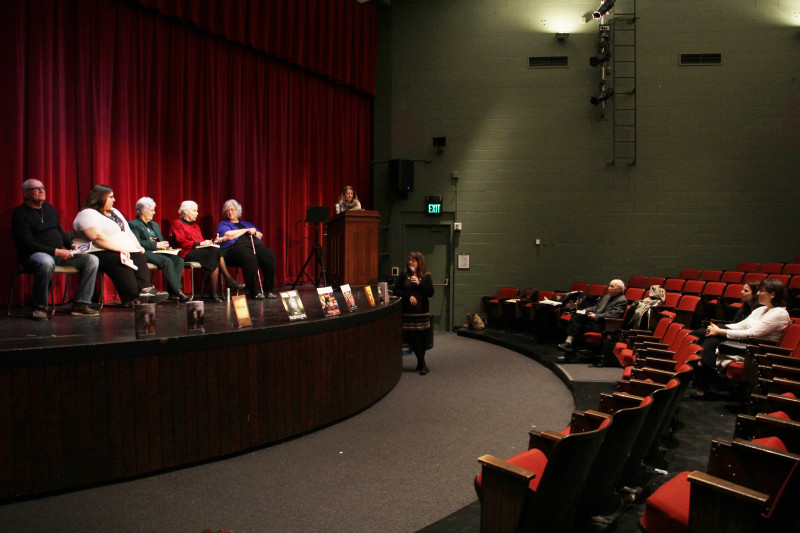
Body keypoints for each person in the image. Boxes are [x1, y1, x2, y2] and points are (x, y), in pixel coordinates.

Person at [11, 179, 100, 319]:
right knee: (46, 262)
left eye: (43, 188)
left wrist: (70, 245)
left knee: (92, 259)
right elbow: (26, 243)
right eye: (36, 188)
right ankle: (39, 307)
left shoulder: (49, 209)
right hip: (34, 255)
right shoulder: (20, 213)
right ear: (26, 194)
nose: (42, 191)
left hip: (58, 254)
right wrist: (55, 251)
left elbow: (59, 231)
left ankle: (81, 304)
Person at [693, 278, 791, 400]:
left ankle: (703, 367)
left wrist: (719, 331)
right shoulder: (762, 309)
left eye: (761, 291)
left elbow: (753, 333)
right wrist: (717, 328)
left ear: (772, 294)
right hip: (745, 341)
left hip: (756, 348)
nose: (758, 293)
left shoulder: (779, 314)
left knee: (710, 337)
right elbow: (742, 325)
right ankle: (705, 373)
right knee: (700, 333)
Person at [72, 184, 168, 306]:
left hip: (118, 249)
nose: (114, 200)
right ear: (100, 198)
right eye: (111, 197)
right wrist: (120, 249)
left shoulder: (115, 212)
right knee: (118, 258)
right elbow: (97, 237)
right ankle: (132, 297)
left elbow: (127, 231)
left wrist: (137, 246)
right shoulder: (87, 213)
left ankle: (146, 290)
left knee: (138, 256)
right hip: (95, 251)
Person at [172, 200, 245, 303]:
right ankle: (226, 281)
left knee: (215, 251)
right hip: (186, 253)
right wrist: (200, 244)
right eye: (194, 211)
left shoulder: (196, 226)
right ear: (186, 212)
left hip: (199, 252)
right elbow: (181, 242)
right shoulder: (178, 224)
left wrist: (210, 243)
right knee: (214, 252)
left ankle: (215, 292)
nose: (197, 213)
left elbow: (201, 241)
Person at [128, 197, 189, 303]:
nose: (154, 212)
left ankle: (172, 291)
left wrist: (166, 247)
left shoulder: (154, 225)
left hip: (158, 251)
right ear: (143, 211)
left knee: (179, 260)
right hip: (145, 252)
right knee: (167, 261)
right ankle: (178, 291)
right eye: (151, 210)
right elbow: (138, 243)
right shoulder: (133, 224)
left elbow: (159, 240)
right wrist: (156, 245)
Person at [216, 199, 277, 299]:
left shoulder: (247, 223)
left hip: (253, 246)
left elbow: (260, 235)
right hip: (233, 249)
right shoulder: (224, 224)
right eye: (227, 211)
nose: (230, 212)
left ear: (238, 211)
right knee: (249, 257)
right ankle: (253, 291)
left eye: (232, 210)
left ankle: (268, 290)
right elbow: (228, 234)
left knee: (269, 256)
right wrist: (246, 231)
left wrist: (254, 232)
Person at [557, 279, 627, 362]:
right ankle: (569, 345)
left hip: (605, 325)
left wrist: (596, 316)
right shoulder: (607, 297)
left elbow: (613, 315)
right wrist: (585, 310)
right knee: (578, 316)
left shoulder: (622, 300)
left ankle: (569, 347)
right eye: (609, 286)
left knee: (577, 326)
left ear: (619, 289)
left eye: (612, 286)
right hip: (595, 322)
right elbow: (596, 308)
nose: (609, 288)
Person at [393, 251, 435, 375]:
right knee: (413, 338)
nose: (410, 262)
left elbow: (430, 293)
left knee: (422, 338)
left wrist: (419, 284)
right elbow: (396, 290)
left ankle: (420, 363)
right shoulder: (403, 276)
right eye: (409, 260)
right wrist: (408, 296)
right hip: (408, 312)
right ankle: (423, 364)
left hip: (422, 311)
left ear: (419, 262)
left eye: (413, 260)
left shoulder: (426, 276)